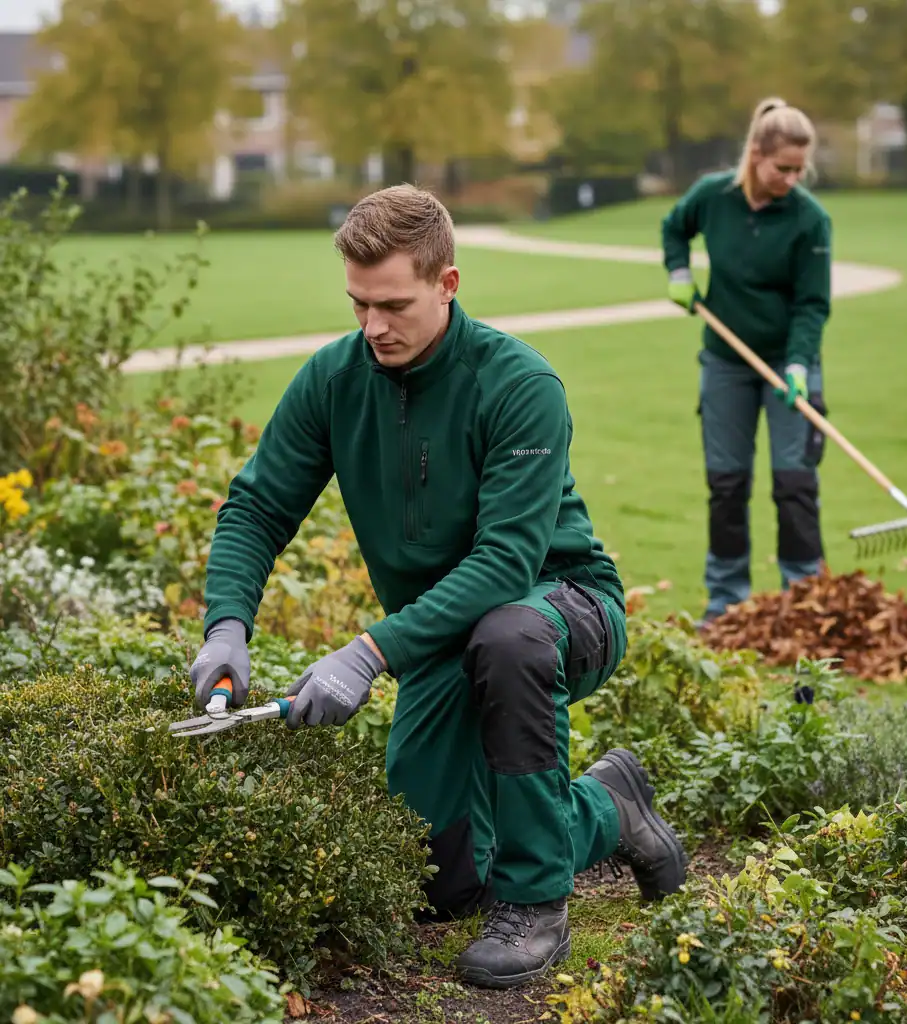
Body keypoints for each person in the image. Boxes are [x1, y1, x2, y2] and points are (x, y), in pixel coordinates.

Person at [188, 184, 688, 990]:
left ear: (447, 284)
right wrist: (226, 627)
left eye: (393, 305)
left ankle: (537, 906)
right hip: (441, 639)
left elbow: (506, 565)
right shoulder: (334, 380)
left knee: (510, 635)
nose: (373, 326)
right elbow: (256, 508)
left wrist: (367, 653)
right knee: (439, 881)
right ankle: (611, 808)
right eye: (358, 304)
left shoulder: (519, 384)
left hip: (564, 606)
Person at [661, 97, 833, 627]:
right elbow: (674, 226)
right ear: (756, 154)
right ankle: (726, 602)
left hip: (788, 363)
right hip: (726, 362)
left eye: (800, 169)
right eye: (783, 168)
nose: (792, 179)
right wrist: (679, 272)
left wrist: (798, 365)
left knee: (794, 484)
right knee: (727, 484)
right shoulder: (713, 197)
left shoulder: (810, 219)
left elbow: (812, 303)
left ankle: (803, 600)